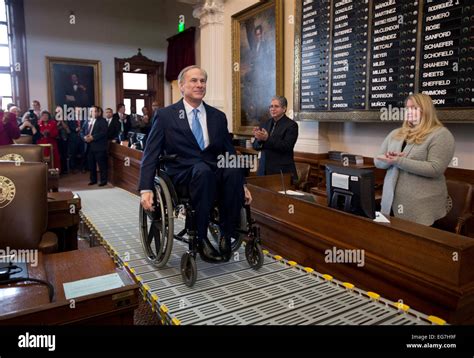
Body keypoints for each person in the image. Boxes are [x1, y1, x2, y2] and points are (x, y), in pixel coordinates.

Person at [139, 65, 252, 262]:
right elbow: (150, 153)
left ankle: (226, 234)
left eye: (202, 81)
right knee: (202, 172)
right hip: (182, 174)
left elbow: (229, 152)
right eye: (194, 81)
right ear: (181, 86)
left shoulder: (218, 117)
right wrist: (146, 188)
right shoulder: (166, 116)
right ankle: (200, 237)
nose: (199, 85)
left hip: (213, 171)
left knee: (233, 170)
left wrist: (242, 185)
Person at [374, 94, 455, 226]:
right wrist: (388, 158)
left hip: (421, 207)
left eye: (414, 108)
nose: (408, 111)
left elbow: (435, 169)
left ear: (426, 110)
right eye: (407, 108)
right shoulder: (396, 133)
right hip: (390, 202)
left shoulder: (441, 134)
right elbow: (377, 162)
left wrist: (398, 161)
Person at [252, 96, 299, 181]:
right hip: (263, 171)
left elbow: (286, 146)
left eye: (276, 106)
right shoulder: (265, 124)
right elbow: (255, 146)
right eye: (271, 106)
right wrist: (259, 139)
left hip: (281, 172)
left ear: (284, 109)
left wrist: (267, 138)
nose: (272, 109)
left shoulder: (291, 125)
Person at [82, 106, 108, 186]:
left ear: (97, 112)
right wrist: (84, 137)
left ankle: (103, 181)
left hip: (99, 146)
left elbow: (103, 132)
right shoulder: (87, 121)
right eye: (91, 111)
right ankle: (93, 180)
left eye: (94, 111)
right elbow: (82, 131)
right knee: (91, 164)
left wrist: (93, 137)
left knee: (101, 165)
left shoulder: (102, 121)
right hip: (89, 146)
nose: (92, 113)